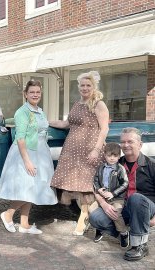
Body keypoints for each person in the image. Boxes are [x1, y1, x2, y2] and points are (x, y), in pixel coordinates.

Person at [49, 71, 109, 236]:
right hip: (72, 150)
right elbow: (66, 124)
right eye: (82, 85)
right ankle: (87, 214)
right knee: (74, 183)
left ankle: (84, 218)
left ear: (93, 86)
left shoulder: (98, 104)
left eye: (88, 85)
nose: (85, 88)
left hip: (89, 150)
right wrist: (45, 122)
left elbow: (104, 129)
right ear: (78, 87)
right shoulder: (76, 104)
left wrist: (97, 150)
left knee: (85, 186)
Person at [0, 80, 57, 234]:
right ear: (25, 94)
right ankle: (8, 214)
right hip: (26, 153)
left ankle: (24, 224)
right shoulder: (22, 112)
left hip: (40, 152)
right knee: (29, 188)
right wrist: (27, 161)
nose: (35, 95)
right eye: (32, 92)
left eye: (38, 92)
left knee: (34, 187)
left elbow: (44, 127)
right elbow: (21, 138)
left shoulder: (39, 111)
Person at [89, 127, 155, 261]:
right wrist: (103, 204)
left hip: (145, 207)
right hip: (121, 206)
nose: (125, 145)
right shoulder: (114, 164)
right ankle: (127, 234)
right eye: (123, 142)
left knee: (135, 198)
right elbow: (96, 187)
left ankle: (140, 245)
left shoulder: (151, 165)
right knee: (96, 217)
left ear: (140, 144)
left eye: (130, 141)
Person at [88, 142, 129, 247]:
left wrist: (113, 193)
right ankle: (100, 229)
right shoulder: (101, 167)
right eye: (109, 156)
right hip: (103, 196)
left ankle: (123, 233)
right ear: (105, 155)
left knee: (115, 213)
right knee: (91, 209)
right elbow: (95, 180)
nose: (112, 158)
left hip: (117, 198)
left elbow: (125, 183)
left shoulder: (120, 169)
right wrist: (99, 190)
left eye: (115, 156)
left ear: (119, 156)